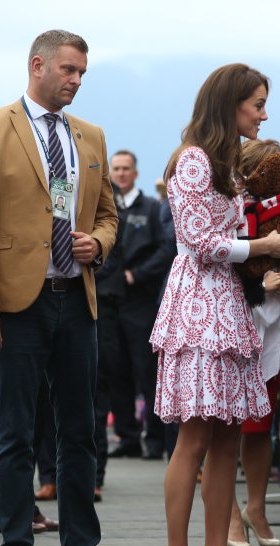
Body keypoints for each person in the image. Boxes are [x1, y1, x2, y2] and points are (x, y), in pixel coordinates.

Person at [0, 29, 127, 546]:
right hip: (15, 304)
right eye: (69, 71)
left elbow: (107, 215)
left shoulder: (92, 136)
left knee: (80, 432)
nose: (77, 81)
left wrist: (98, 244)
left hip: (76, 298)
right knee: (15, 432)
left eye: (82, 73)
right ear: (38, 65)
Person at [151, 63, 280, 546]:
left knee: (229, 436)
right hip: (198, 303)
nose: (263, 113)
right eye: (256, 103)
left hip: (228, 302)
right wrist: (262, 248)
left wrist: (274, 256)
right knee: (195, 437)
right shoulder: (193, 161)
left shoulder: (227, 165)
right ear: (229, 105)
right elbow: (198, 240)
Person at [226, 138, 280, 546]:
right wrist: (259, 281)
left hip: (270, 330)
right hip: (232, 322)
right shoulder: (228, 203)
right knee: (223, 426)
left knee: (260, 424)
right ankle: (229, 514)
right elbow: (214, 261)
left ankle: (256, 507)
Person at [99, 149, 175, 460]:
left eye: (125, 168)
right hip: (111, 301)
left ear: (135, 172)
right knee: (116, 371)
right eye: (115, 168)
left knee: (147, 371)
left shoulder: (151, 209)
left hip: (141, 301)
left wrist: (136, 275)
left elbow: (165, 248)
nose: (120, 173)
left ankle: (154, 440)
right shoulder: (107, 207)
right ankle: (127, 436)